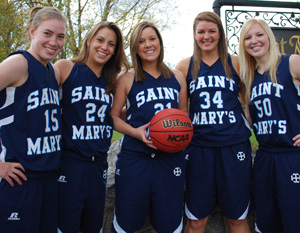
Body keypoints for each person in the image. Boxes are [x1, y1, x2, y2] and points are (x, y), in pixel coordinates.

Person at [176, 11, 252, 233]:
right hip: (199, 148)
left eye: (212, 31)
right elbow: (180, 112)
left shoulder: (236, 63)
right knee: (197, 220)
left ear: (220, 34)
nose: (206, 36)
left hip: (234, 146)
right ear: (194, 34)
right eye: (201, 32)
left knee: (237, 219)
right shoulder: (184, 66)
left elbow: (250, 102)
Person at [110, 21, 188, 233]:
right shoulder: (127, 78)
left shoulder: (177, 77)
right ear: (135, 47)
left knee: (169, 225)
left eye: (152, 39)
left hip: (169, 159)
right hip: (135, 158)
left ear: (160, 43)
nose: (147, 45)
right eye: (141, 41)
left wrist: (176, 136)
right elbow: (114, 116)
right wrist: (135, 132)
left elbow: (184, 118)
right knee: (126, 225)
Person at [54, 21, 129, 233]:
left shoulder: (112, 81)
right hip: (69, 164)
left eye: (111, 44)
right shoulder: (65, 68)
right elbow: (33, 102)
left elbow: (114, 114)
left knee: (93, 228)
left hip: (98, 167)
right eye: (100, 40)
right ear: (89, 40)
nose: (104, 47)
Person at [0, 6, 66, 233]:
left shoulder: (53, 72)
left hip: (48, 178)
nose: (54, 42)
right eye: (47, 33)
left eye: (60, 36)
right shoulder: (19, 63)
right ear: (32, 32)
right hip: (19, 179)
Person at [239, 18, 300, 233]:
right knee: (266, 223)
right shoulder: (249, 78)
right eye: (248, 37)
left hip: (292, 155)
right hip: (265, 158)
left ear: (269, 37)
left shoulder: (291, 62)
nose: (254, 41)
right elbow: (250, 120)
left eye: (259, 35)